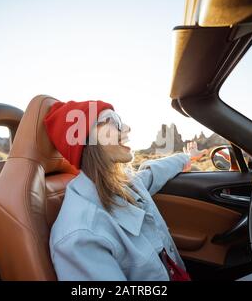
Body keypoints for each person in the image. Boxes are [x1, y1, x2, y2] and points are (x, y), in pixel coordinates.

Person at [44, 100, 199, 281]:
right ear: (85, 139)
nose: (126, 128)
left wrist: (186, 158)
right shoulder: (80, 236)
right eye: (113, 121)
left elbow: (152, 172)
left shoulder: (123, 183)